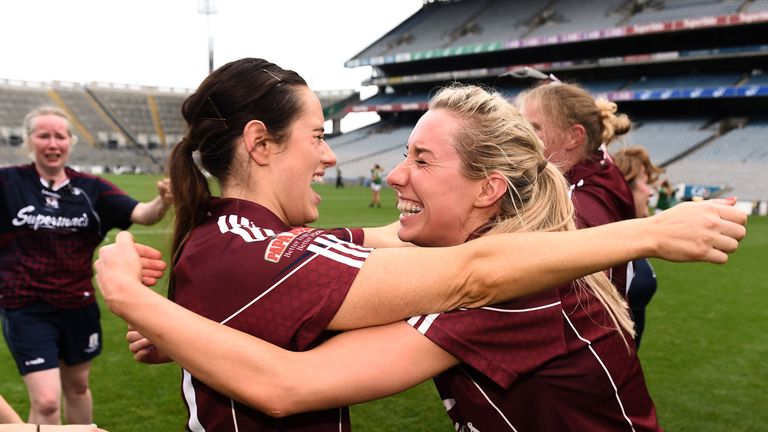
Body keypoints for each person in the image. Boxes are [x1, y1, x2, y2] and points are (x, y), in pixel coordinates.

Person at [95, 79, 744, 431]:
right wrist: (197, 327)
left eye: (422, 160)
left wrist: (133, 299)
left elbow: (289, 385)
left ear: (488, 190)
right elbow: (354, 254)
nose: (395, 175)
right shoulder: (477, 266)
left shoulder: (509, 288)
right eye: (404, 153)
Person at [0, 106, 173, 426]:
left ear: (70, 141)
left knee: (78, 387)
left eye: (60, 136)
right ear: (28, 141)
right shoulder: (8, 182)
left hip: (78, 305)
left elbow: (143, 214)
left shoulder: (91, 188)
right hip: (26, 307)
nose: (53, 143)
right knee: (47, 401)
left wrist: (162, 200)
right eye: (44, 135)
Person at [516, 82, 636, 294]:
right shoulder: (600, 170)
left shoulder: (578, 206)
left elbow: (576, 295)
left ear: (574, 137)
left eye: (534, 127)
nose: (520, 136)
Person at [613, 146, 664, 348]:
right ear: (624, 187)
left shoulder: (633, 236)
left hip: (626, 360)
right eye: (643, 181)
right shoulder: (607, 243)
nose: (650, 192)